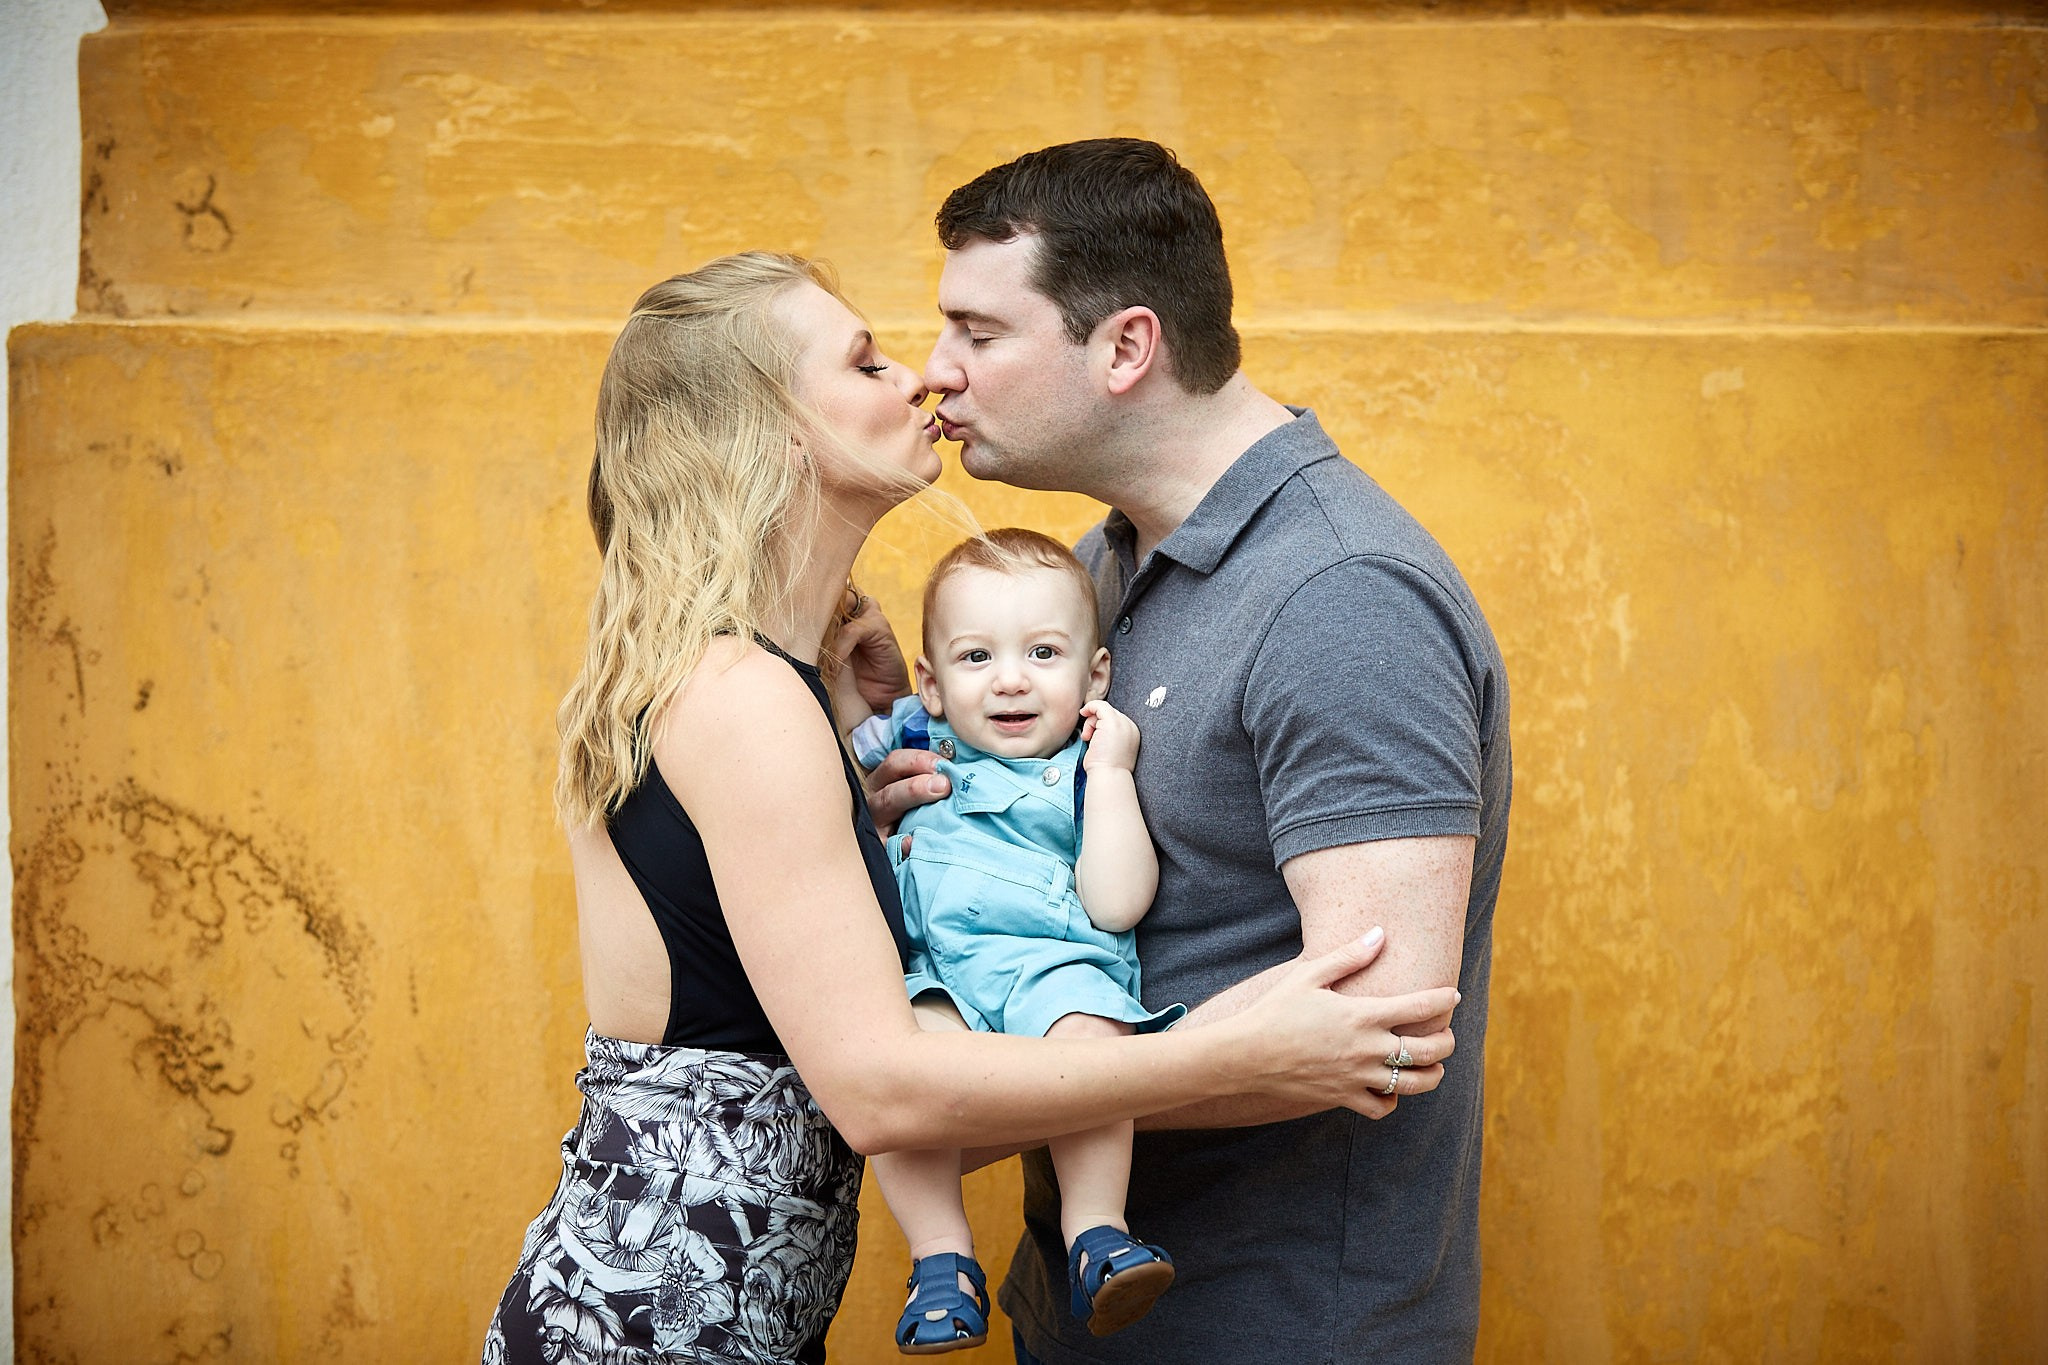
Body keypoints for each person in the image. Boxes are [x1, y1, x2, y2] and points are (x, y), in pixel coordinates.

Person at [480, 251, 1462, 1365]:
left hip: (683, 1309)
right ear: (771, 432)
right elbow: (880, 1090)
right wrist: (1239, 1054)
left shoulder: (766, 686)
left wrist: (864, 749)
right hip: (656, 1323)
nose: (920, 380)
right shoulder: (743, 697)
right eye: (865, 360)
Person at [866, 139, 1512, 1363]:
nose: (932, 375)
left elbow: (1378, 1027)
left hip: (1282, 1330)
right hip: (1087, 1318)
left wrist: (945, 1091)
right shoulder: (1104, 569)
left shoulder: (1340, 594)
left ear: (1124, 347)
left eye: (978, 332)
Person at [852, 529, 1184, 1354]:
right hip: (941, 981)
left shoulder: (1085, 769)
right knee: (901, 1069)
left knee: (1092, 1041)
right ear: (929, 682)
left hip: (1054, 968)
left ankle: (1098, 1232)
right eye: (974, 657)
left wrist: (1111, 777)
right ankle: (942, 1260)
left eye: (1043, 651)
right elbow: (821, 750)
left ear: (1094, 676)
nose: (1009, 678)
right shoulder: (913, 741)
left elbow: (1117, 903)